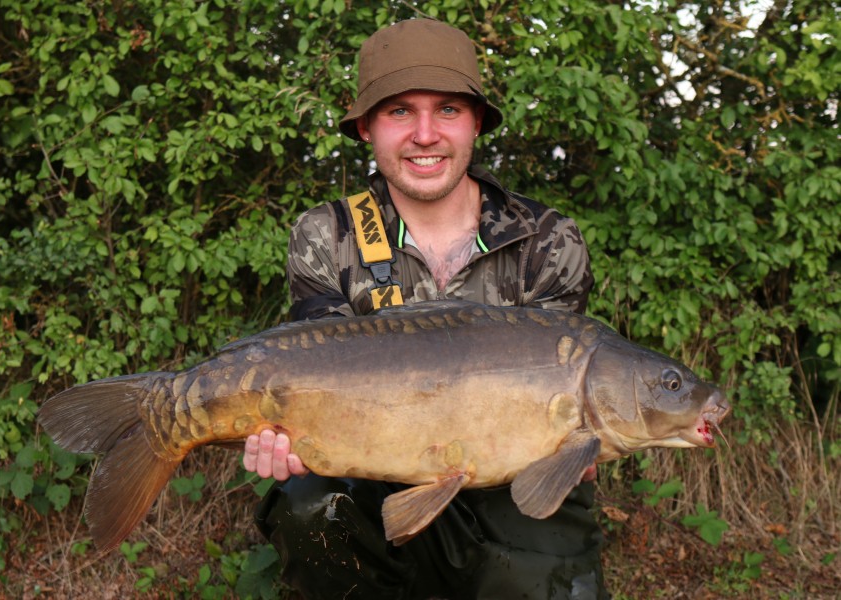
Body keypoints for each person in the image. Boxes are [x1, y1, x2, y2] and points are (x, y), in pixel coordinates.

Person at [242, 18, 607, 600]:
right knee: (311, 504)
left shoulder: (547, 239)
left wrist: (575, 452)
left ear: (477, 122)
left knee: (539, 571)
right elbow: (323, 381)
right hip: (374, 474)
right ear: (366, 127)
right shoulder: (326, 235)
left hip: (510, 489)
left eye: (447, 111)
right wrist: (291, 432)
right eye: (399, 112)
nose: (425, 134)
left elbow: (569, 408)